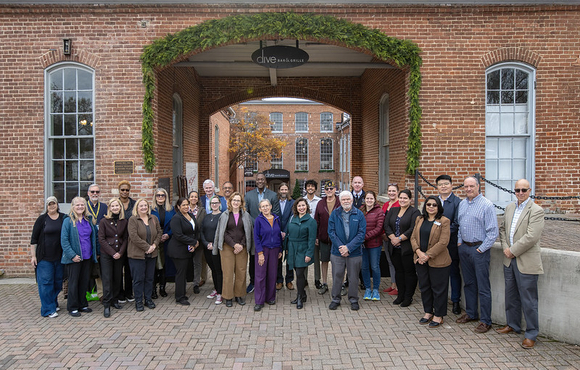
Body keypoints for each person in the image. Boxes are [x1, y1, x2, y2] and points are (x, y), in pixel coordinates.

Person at [498, 179, 544, 349]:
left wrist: (513, 250)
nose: (520, 193)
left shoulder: (536, 210)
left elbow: (532, 236)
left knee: (529, 300)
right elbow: (502, 230)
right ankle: (513, 325)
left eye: (524, 190)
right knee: (511, 295)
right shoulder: (510, 207)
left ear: (529, 190)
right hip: (509, 259)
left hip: (526, 260)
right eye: (517, 190)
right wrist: (506, 249)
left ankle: (531, 334)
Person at [456, 176, 499, 334]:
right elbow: (460, 225)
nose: (468, 189)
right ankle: (471, 313)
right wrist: (460, 242)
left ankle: (486, 321)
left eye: (471, 186)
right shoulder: (462, 204)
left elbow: (493, 232)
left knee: (483, 287)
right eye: (466, 186)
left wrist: (481, 249)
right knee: (469, 284)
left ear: (478, 186)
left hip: (479, 250)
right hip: (465, 248)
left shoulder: (487, 205)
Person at [411, 196, 451, 328]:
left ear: (438, 207)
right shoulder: (419, 219)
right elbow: (413, 238)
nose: (431, 207)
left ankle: (439, 315)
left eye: (434, 205)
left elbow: (443, 242)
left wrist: (427, 255)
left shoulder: (444, 221)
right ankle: (428, 312)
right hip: (420, 260)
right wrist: (418, 252)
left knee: (438, 289)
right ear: (425, 206)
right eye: (429, 204)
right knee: (424, 287)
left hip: (438, 261)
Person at [328, 191, 367, 311]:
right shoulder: (335, 214)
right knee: (337, 275)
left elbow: (361, 234)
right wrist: (341, 247)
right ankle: (335, 299)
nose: (345, 201)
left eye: (347, 199)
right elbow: (331, 232)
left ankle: (354, 300)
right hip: (337, 252)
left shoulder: (359, 214)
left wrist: (349, 247)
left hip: (354, 253)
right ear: (340, 201)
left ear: (351, 200)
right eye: (343, 199)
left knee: (353, 277)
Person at [214, 192, 253, 307]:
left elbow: (248, 232)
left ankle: (239, 295)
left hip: (242, 247)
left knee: (241, 271)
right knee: (228, 272)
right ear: (230, 202)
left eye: (238, 200)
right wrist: (233, 244)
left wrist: (241, 244)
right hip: (227, 247)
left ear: (241, 203)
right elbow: (223, 232)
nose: (236, 202)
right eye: (234, 200)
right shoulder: (225, 215)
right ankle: (228, 296)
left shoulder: (246, 215)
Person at [60, 196, 98, 317]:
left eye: (82, 205)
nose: (80, 207)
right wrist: (72, 255)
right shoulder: (68, 221)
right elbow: (64, 240)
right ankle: (73, 307)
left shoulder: (88, 220)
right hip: (74, 258)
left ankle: (83, 304)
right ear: (73, 207)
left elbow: (93, 237)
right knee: (73, 283)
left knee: (84, 281)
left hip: (87, 256)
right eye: (77, 205)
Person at [30, 196, 66, 318]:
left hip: (59, 257)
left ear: (57, 205)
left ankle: (53, 303)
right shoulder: (42, 219)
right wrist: (33, 256)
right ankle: (47, 310)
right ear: (47, 206)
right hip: (44, 257)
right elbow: (34, 239)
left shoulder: (63, 218)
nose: (52, 206)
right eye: (49, 204)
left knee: (57, 282)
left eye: (54, 203)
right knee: (46, 283)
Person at [384, 189, 421, 307]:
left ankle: (408, 297)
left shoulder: (415, 212)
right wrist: (392, 238)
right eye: (401, 198)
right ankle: (400, 295)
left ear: (410, 200)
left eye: (405, 198)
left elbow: (413, 228)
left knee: (409, 272)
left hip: (407, 248)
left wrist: (399, 239)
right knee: (399, 272)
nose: (402, 200)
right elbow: (386, 224)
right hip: (394, 247)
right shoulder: (393, 210)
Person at [244, 173, 280, 294]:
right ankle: (253, 281)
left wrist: (263, 222)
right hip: (253, 230)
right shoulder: (248, 195)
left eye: (262, 179)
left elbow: (276, 212)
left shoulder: (273, 195)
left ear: (265, 181)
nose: (260, 181)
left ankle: (269, 285)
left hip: (268, 233)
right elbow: (246, 212)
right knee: (254, 257)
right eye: (258, 179)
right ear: (256, 181)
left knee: (269, 260)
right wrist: (258, 221)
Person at [127, 198, 162, 312]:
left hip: (152, 254)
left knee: (149, 278)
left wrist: (154, 246)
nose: (143, 208)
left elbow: (159, 232)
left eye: (145, 206)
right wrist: (147, 247)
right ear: (137, 208)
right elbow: (133, 236)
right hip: (137, 255)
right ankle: (138, 301)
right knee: (138, 279)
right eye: (141, 206)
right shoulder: (133, 220)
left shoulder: (154, 218)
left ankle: (148, 299)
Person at [436, 174, 462, 315]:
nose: (443, 186)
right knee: (438, 273)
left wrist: (441, 234)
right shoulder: (434, 201)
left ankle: (456, 301)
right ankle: (440, 300)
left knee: (453, 271)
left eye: (446, 184)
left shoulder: (457, 202)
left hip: (450, 243)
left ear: (451, 185)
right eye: (440, 184)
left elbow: (457, 223)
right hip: (435, 244)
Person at [98, 198, 128, 318]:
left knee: (117, 277)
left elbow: (125, 238)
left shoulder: (124, 221)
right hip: (107, 254)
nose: (115, 208)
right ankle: (106, 304)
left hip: (119, 253)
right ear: (109, 208)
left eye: (117, 206)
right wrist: (112, 252)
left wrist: (120, 252)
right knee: (107, 278)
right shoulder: (104, 221)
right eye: (113, 206)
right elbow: (101, 239)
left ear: (120, 207)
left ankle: (114, 300)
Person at [284, 198, 317, 309]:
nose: (301, 208)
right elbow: (288, 234)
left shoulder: (311, 221)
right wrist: (287, 248)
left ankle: (299, 297)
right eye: (299, 206)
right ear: (296, 208)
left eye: (303, 205)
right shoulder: (292, 218)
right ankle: (303, 294)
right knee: (297, 272)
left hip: (303, 249)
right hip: (292, 248)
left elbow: (312, 239)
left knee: (299, 273)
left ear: (307, 207)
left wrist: (309, 254)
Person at [167, 197, 200, 306]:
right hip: (178, 250)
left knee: (184, 272)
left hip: (187, 249)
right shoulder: (176, 218)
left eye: (187, 204)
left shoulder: (190, 215)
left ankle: (182, 293)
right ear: (178, 207)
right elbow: (178, 235)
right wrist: (193, 242)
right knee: (180, 273)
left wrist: (194, 242)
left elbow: (196, 230)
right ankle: (179, 297)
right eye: (183, 205)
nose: (186, 207)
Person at [253, 199, 284, 311]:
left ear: (271, 206)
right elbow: (256, 237)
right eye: (263, 206)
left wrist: (280, 249)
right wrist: (260, 253)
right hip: (263, 250)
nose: (265, 208)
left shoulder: (276, 219)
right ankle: (259, 301)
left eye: (267, 206)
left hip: (275, 250)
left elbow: (279, 235)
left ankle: (270, 297)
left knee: (272, 274)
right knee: (260, 275)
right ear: (260, 209)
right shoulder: (258, 220)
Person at [314, 180, 340, 295]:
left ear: (335, 190)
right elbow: (316, 220)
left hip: (338, 239)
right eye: (327, 189)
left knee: (338, 262)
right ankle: (324, 283)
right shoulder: (320, 203)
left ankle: (338, 284)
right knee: (324, 261)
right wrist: (316, 236)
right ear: (324, 191)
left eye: (331, 189)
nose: (329, 191)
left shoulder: (340, 202)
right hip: (324, 238)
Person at [151, 188, 175, 299]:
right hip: (154, 241)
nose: (160, 197)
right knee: (154, 266)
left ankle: (162, 287)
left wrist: (168, 234)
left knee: (164, 265)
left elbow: (174, 225)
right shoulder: (150, 210)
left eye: (163, 195)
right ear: (155, 197)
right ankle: (153, 289)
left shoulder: (171, 210)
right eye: (158, 195)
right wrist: (157, 237)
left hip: (167, 241)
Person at [361, 191, 384, 301]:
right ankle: (367, 289)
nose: (369, 200)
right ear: (364, 199)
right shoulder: (361, 210)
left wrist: (364, 237)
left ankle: (375, 289)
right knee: (364, 267)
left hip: (375, 244)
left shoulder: (379, 211)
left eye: (371, 198)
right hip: (362, 245)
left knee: (374, 267)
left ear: (375, 199)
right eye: (367, 198)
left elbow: (379, 228)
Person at [200, 195, 224, 304]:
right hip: (207, 248)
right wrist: (206, 243)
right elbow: (202, 231)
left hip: (217, 248)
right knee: (213, 269)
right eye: (212, 203)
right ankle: (216, 289)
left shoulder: (222, 216)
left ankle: (220, 292)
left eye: (216, 203)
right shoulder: (206, 217)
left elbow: (222, 233)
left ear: (219, 204)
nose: (214, 205)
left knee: (218, 270)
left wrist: (214, 244)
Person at [117, 180, 135, 304]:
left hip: (131, 240)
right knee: (118, 269)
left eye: (127, 190)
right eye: (122, 190)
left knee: (129, 269)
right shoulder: (115, 203)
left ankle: (129, 292)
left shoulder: (134, 204)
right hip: (118, 240)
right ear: (119, 191)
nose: (125, 192)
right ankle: (119, 293)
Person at [381, 183, 400, 295]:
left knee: (396, 262)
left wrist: (391, 236)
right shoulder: (386, 204)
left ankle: (398, 286)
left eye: (394, 191)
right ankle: (393, 284)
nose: (391, 193)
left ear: (397, 192)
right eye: (389, 191)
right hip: (385, 237)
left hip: (394, 238)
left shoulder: (399, 204)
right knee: (390, 262)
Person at [276, 183, 295, 291]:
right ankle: (279, 280)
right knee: (278, 258)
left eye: (285, 189)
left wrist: (285, 231)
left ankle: (289, 280)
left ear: (288, 190)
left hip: (289, 234)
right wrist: (279, 231)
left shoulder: (292, 203)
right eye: (282, 189)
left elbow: (292, 218)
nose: (284, 191)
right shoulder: (275, 203)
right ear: (279, 190)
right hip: (276, 234)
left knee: (289, 258)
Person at [304, 179, 321, 288]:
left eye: (312, 186)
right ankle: (304, 279)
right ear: (305, 188)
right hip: (304, 234)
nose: (310, 188)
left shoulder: (319, 201)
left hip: (315, 234)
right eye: (308, 186)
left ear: (315, 188)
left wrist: (318, 236)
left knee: (316, 258)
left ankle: (317, 279)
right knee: (304, 257)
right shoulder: (302, 200)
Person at [187, 190, 205, 294]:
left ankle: (196, 284)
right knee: (186, 262)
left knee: (197, 263)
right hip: (186, 241)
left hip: (198, 241)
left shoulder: (202, 211)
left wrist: (198, 240)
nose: (194, 198)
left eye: (196, 197)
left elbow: (203, 226)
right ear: (189, 198)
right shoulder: (185, 209)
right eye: (192, 196)